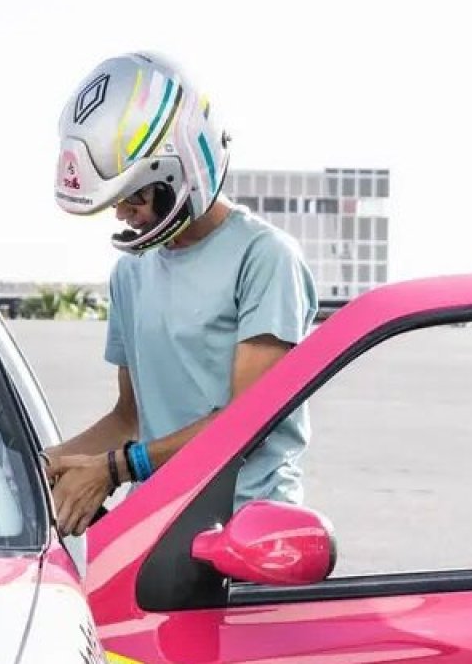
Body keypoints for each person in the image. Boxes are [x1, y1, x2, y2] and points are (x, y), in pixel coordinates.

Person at [46, 51, 319, 536]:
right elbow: (130, 418)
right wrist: (41, 465)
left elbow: (246, 424)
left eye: (134, 197)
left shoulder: (264, 258)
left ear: (178, 171)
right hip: (153, 529)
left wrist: (115, 469)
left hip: (242, 532)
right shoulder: (130, 274)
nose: (122, 214)